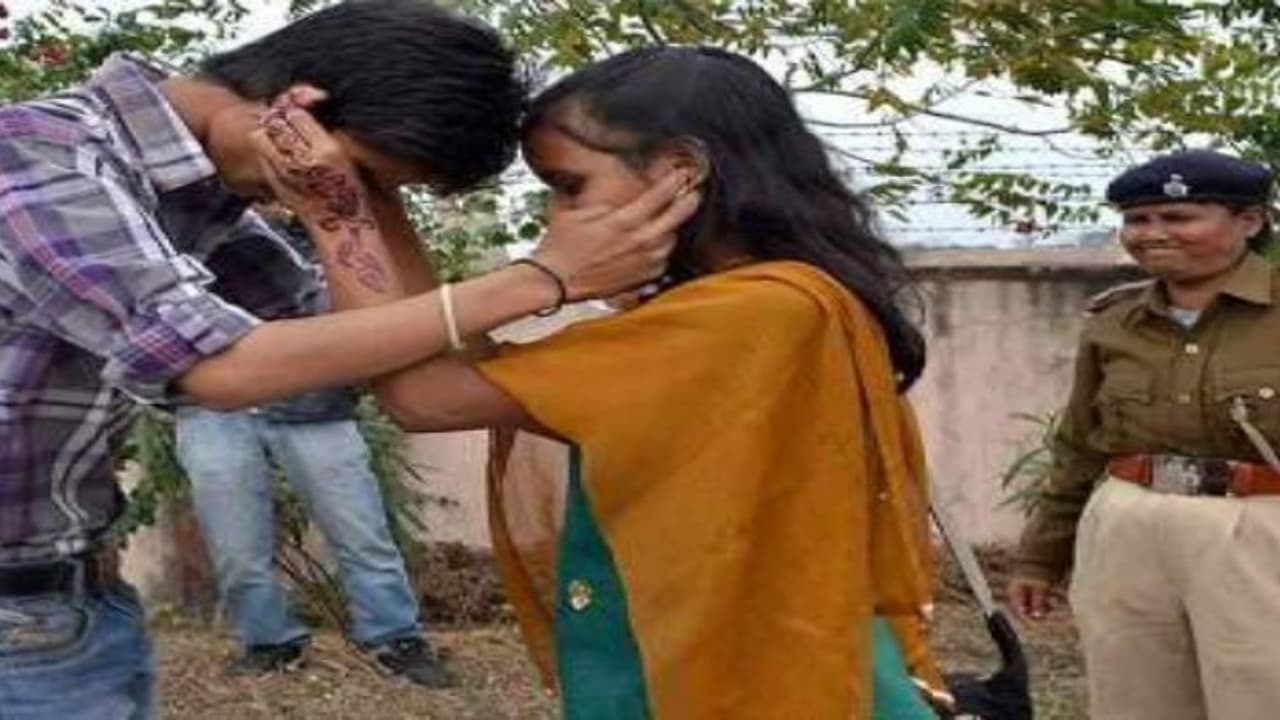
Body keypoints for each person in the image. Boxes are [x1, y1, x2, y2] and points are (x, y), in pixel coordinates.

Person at [0, 1, 694, 716]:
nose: (360, 194)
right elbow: (220, 367)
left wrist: (348, 209)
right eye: (370, 176)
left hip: (73, 598)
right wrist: (543, 278)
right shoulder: (39, 151)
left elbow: (365, 337)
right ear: (298, 109)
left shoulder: (197, 197)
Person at [257, 45, 946, 719]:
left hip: (757, 684)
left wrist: (337, 215)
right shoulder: (774, 300)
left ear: (680, 172)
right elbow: (452, 362)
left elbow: (425, 396)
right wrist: (377, 202)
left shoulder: (752, 314)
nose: (554, 218)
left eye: (570, 187)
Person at [1008, 150, 1280, 719]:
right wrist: (1041, 557)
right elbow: (1079, 445)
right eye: (1137, 219)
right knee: (1134, 699)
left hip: (1259, 528)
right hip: (1127, 527)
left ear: (1250, 221)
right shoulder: (1114, 323)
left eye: (1178, 217)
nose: (1153, 234)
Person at [174, 215, 447, 684]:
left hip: (315, 403)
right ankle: (270, 644)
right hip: (213, 406)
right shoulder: (174, 222)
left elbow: (358, 314)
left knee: (361, 532)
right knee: (235, 548)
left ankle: (396, 639)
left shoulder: (326, 230)